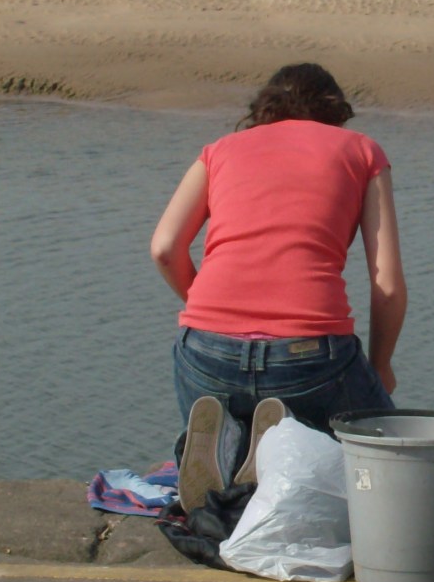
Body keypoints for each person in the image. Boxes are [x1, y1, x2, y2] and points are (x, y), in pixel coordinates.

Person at [151, 63, 407, 511]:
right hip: (309, 357)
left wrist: (211, 314)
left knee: (228, 400)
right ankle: (268, 454)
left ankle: (230, 452)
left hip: (206, 351)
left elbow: (165, 248)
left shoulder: (220, 150)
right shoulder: (362, 151)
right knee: (383, 455)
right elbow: (385, 283)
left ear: (263, 110)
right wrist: (381, 364)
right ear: (337, 112)